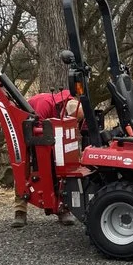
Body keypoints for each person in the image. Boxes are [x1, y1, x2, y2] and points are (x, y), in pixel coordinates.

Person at [12, 89, 84, 229]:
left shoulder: (74, 105)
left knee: (61, 168)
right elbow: (37, 131)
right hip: (28, 132)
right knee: (23, 168)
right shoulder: (44, 105)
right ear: (64, 111)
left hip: (53, 135)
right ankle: (20, 211)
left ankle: (62, 208)